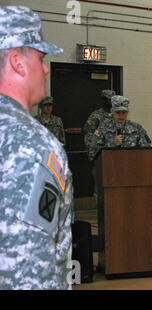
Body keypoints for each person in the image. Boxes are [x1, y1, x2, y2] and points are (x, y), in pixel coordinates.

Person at [0, 5, 74, 289]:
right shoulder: (32, 145)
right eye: (41, 58)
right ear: (18, 63)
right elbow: (26, 267)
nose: (45, 69)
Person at [88, 95, 151, 161]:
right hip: (110, 166)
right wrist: (112, 144)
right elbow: (93, 153)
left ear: (128, 112)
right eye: (118, 112)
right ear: (112, 111)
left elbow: (146, 151)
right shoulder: (102, 128)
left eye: (124, 112)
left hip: (132, 166)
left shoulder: (137, 128)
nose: (121, 115)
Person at [83, 89, 115, 154]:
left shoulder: (117, 115)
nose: (112, 102)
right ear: (104, 100)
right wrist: (92, 153)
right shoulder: (96, 115)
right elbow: (89, 135)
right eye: (109, 99)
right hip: (100, 152)